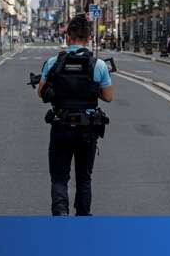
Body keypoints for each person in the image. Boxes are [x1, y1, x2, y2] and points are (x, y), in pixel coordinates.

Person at [37, 14, 114, 216]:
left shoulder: (54, 62)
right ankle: (82, 218)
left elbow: (41, 92)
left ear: (67, 37)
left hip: (61, 125)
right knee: (84, 178)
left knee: (60, 177)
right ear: (89, 38)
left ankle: (60, 213)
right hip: (87, 128)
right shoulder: (97, 65)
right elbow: (108, 97)